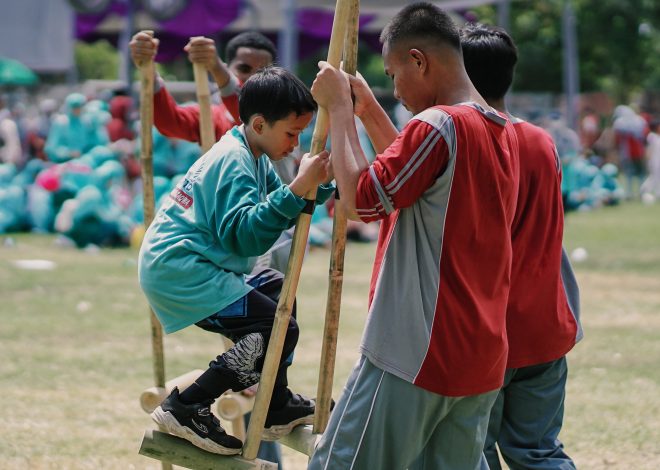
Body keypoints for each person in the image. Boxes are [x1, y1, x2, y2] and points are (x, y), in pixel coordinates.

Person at [308, 3, 519, 469]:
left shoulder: (438, 123)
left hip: (417, 352)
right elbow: (409, 183)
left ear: (419, 60)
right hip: (478, 357)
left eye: (394, 73)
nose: (396, 90)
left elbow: (362, 201)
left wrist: (341, 110)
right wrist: (366, 111)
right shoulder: (499, 130)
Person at [138, 66, 335, 455]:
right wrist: (299, 186)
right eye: (292, 134)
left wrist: (321, 184)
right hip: (181, 270)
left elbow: (285, 206)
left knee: (279, 293)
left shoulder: (254, 154)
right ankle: (187, 405)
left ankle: (275, 404)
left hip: (196, 264)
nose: (296, 145)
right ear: (260, 123)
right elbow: (245, 235)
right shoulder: (234, 161)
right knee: (272, 327)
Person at [460, 23, 583, 470]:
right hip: (546, 324)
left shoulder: (470, 141)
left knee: (474, 453)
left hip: (488, 332)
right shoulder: (542, 142)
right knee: (538, 452)